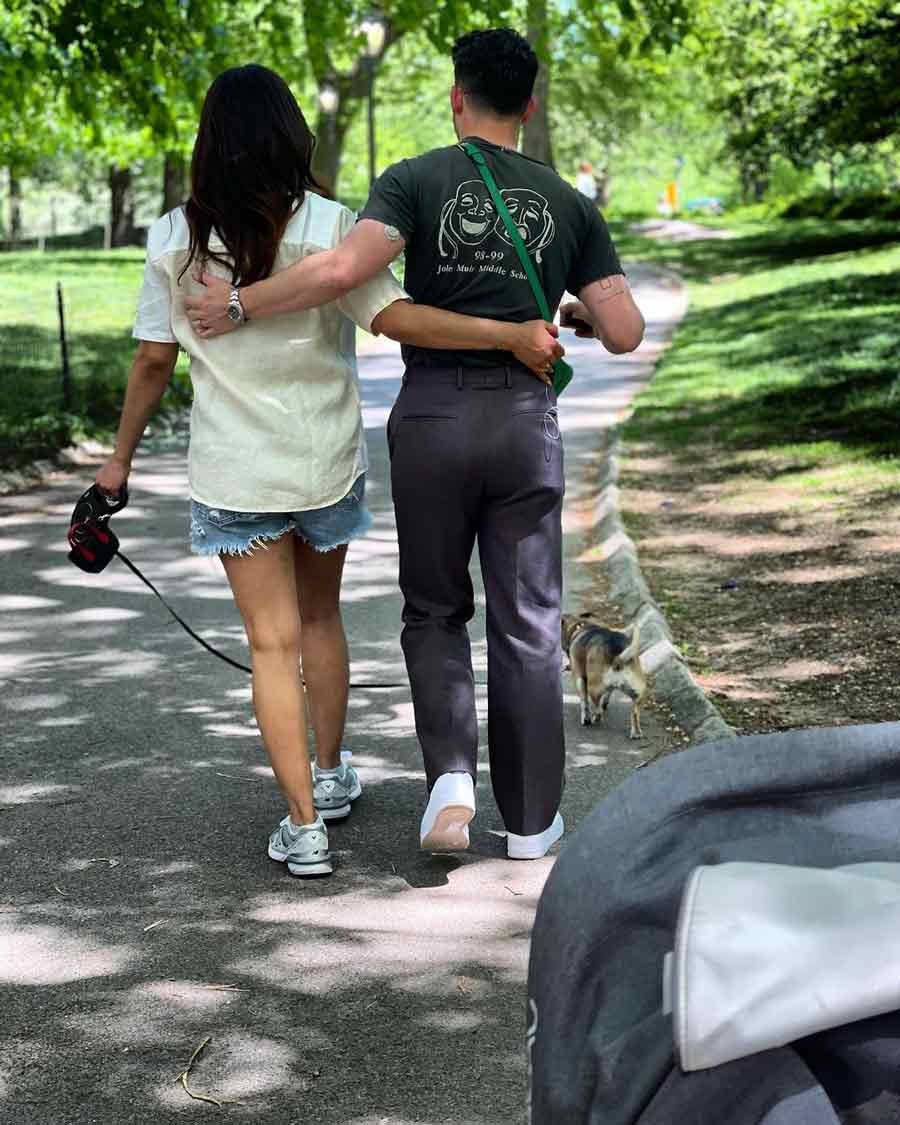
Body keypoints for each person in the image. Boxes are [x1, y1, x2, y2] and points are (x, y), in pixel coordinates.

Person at [93, 64, 564, 879]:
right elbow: (393, 316)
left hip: (235, 471)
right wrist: (507, 334)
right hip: (322, 462)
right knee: (320, 624)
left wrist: (118, 460)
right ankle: (330, 769)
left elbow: (150, 362)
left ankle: (304, 824)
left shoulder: (174, 238)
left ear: (208, 146)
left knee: (270, 646)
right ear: (291, 137)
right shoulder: (328, 227)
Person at [184, 30, 645, 861]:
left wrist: (244, 305)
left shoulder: (415, 178)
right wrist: (565, 310)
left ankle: (452, 785)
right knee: (531, 621)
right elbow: (624, 329)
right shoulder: (571, 204)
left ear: (456, 97)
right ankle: (534, 820)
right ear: (530, 105)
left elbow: (337, 275)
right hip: (523, 424)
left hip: (433, 416)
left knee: (434, 609)